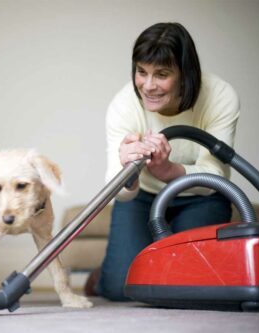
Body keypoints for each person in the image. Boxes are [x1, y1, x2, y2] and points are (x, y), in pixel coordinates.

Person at [88, 22, 240, 301]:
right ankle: (105, 276)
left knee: (191, 283)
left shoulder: (219, 96)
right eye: (142, 72)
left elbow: (214, 178)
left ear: (185, 74)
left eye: (162, 74)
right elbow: (118, 192)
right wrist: (127, 172)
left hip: (200, 198)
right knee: (121, 289)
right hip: (141, 198)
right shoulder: (124, 105)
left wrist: (168, 171)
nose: (148, 86)